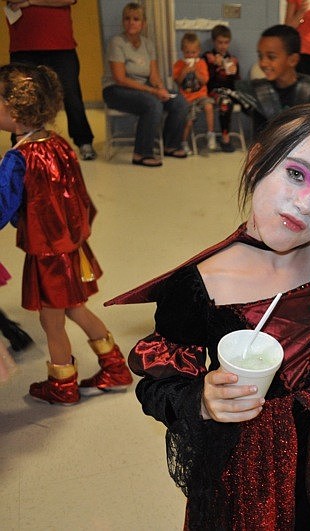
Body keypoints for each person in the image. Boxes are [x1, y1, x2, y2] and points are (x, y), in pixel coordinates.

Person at [107, 103, 310, 529]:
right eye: (296, 174)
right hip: (252, 472)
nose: (306, 205)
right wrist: (200, 399)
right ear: (258, 159)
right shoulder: (198, 286)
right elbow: (158, 384)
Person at [0, 63, 132, 405]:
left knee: (51, 320)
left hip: (47, 254)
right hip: (71, 247)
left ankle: (62, 382)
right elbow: (80, 198)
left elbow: (2, 206)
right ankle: (114, 365)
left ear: (15, 112)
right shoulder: (58, 143)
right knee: (75, 308)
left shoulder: (18, 158)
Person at [5, 0, 97, 161]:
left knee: (71, 95)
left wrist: (29, 2)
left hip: (61, 45)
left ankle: (84, 140)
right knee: (21, 100)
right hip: (24, 46)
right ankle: (22, 144)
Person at [102, 2, 190, 167]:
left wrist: (160, 88)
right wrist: (152, 91)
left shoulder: (148, 44)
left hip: (143, 90)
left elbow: (154, 75)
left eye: (136, 19)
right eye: (127, 19)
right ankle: (141, 153)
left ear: (143, 24)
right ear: (123, 21)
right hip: (115, 90)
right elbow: (120, 78)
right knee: (152, 104)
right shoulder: (117, 42)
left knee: (180, 102)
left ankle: (170, 145)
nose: (131, 22)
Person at [173, 32, 216, 154]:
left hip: (201, 95)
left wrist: (196, 72)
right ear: (182, 51)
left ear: (198, 51)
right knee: (189, 119)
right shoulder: (179, 64)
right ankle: (183, 142)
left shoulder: (201, 63)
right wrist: (184, 72)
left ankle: (210, 134)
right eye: (187, 53)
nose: (190, 55)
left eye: (193, 52)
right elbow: (178, 81)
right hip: (186, 98)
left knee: (208, 106)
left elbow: (205, 81)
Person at [203, 24, 240, 153]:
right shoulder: (208, 57)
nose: (223, 46)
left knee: (248, 102)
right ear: (214, 42)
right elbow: (205, 80)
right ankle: (225, 137)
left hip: (230, 91)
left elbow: (236, 81)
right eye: (220, 42)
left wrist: (234, 72)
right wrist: (215, 66)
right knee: (225, 102)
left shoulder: (232, 59)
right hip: (214, 91)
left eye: (226, 43)